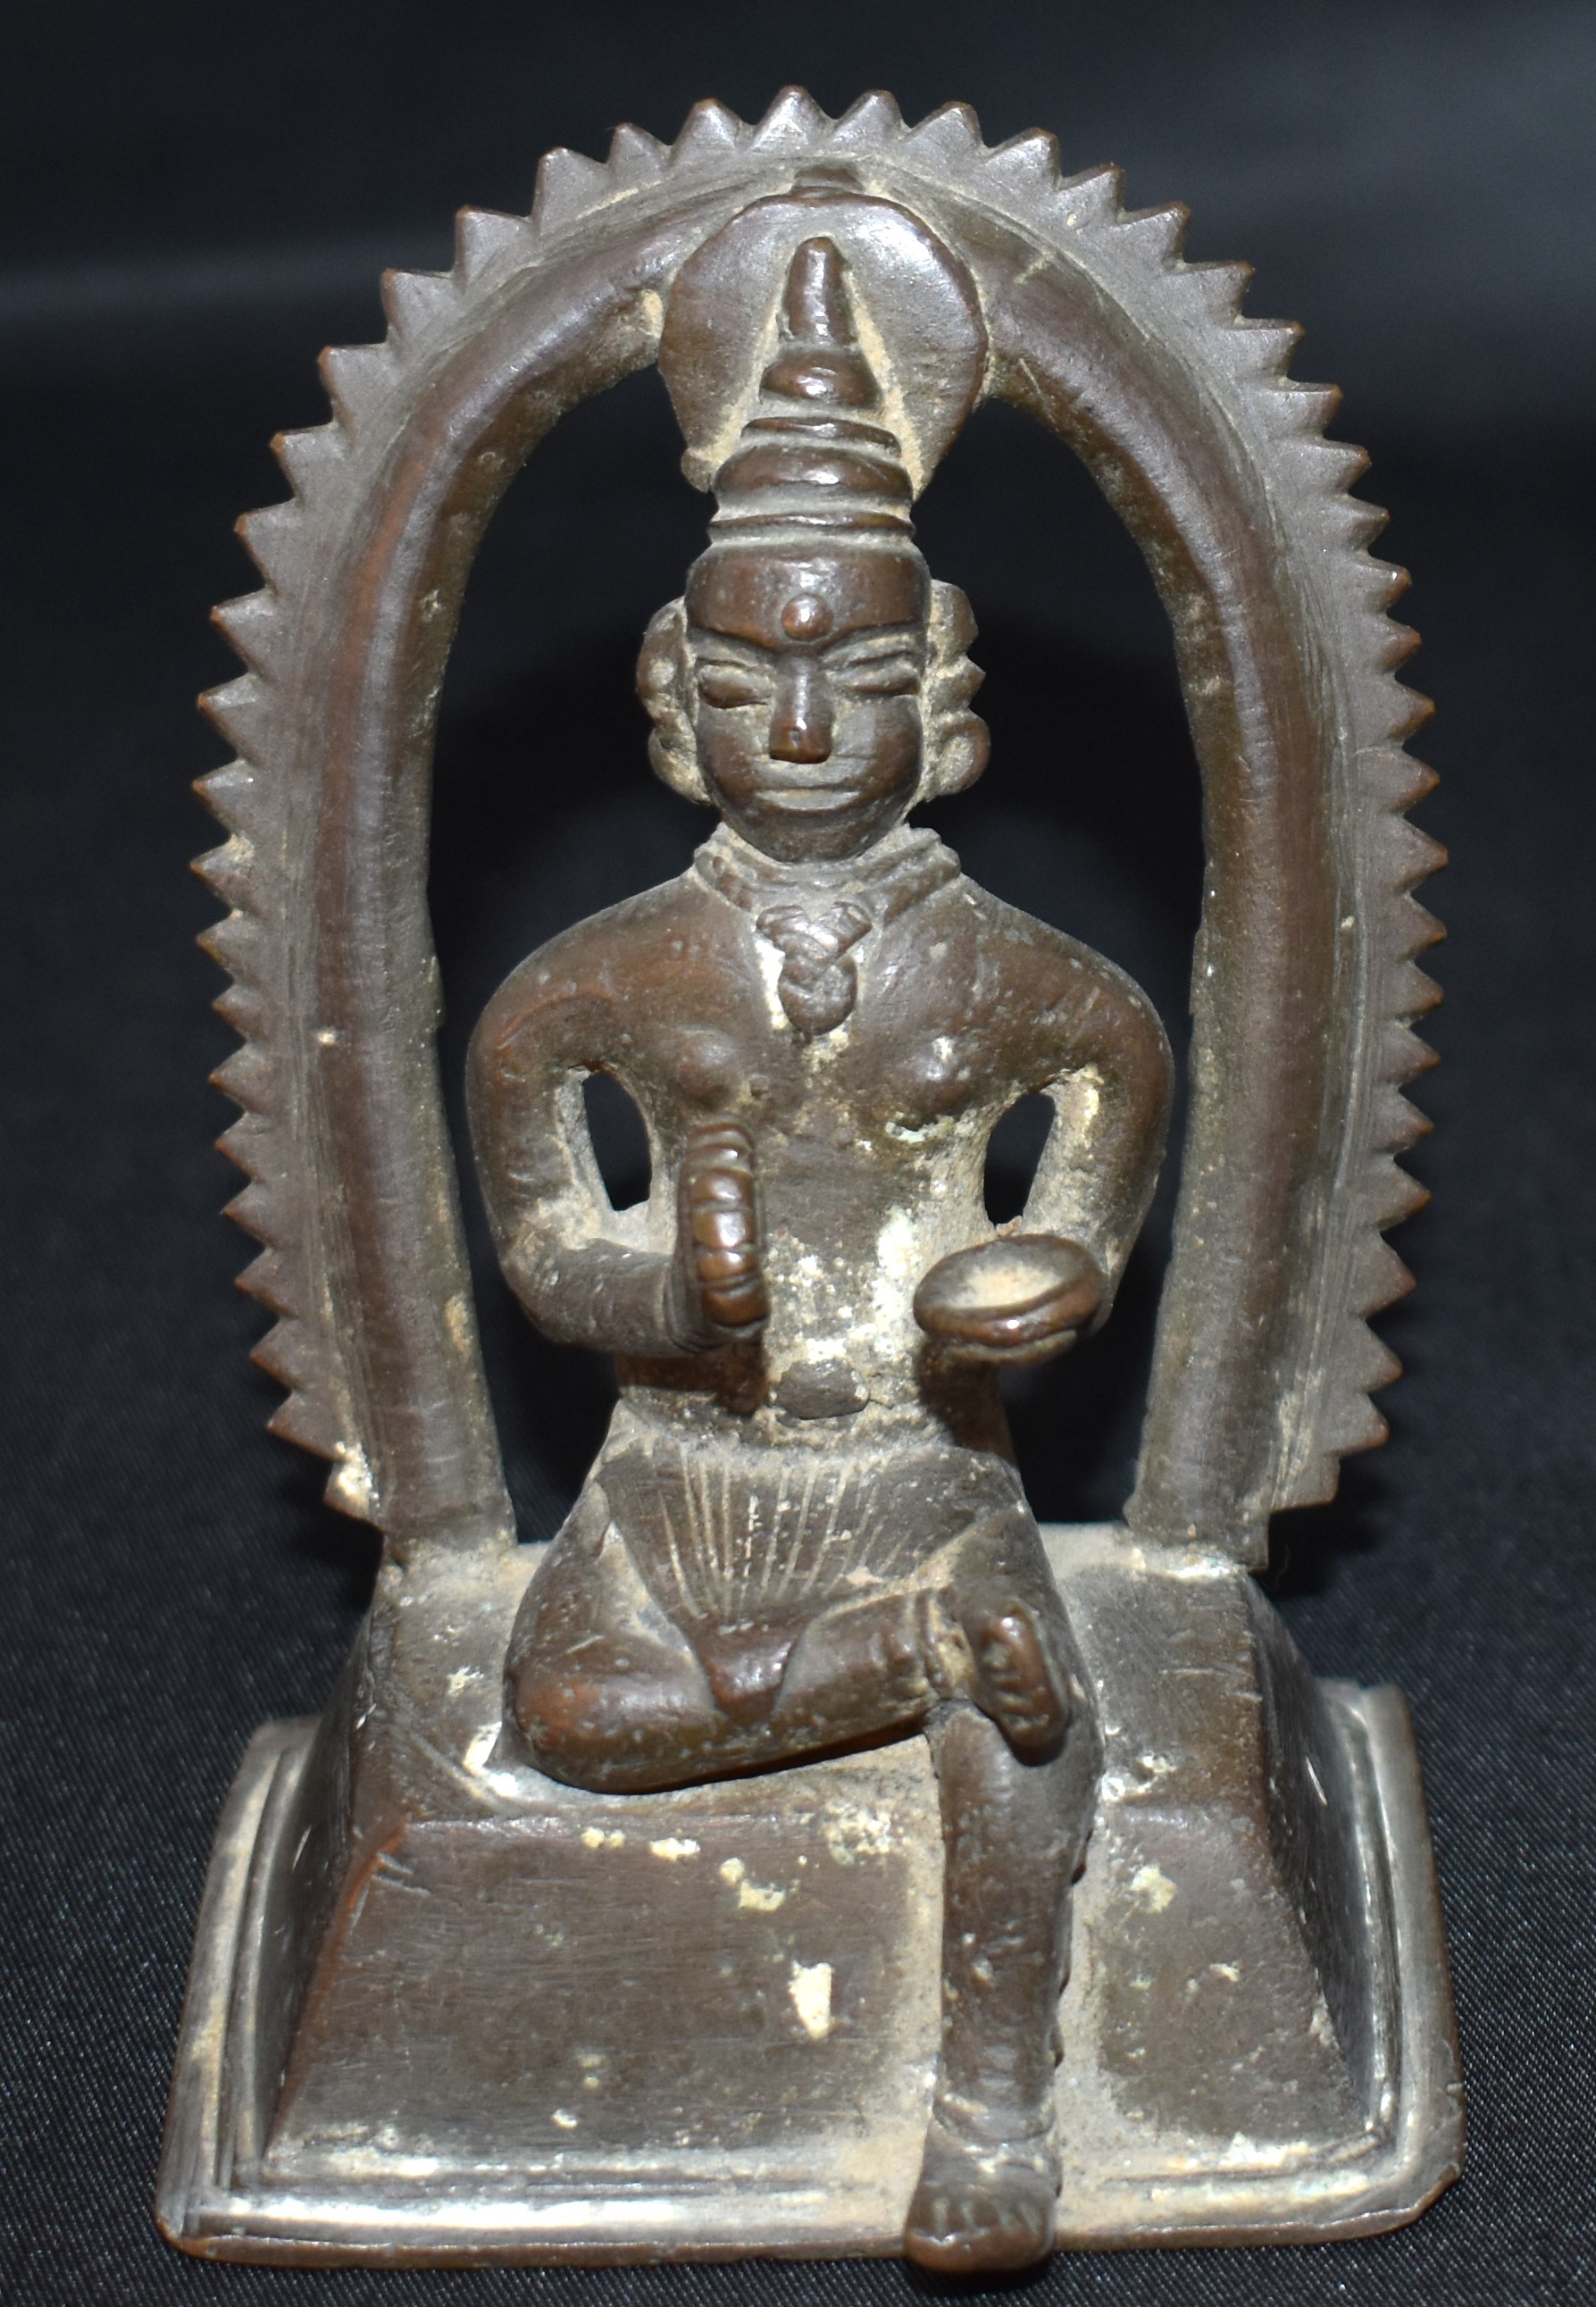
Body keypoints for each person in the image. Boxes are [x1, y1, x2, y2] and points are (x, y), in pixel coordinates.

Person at [468, 236, 1172, 2272]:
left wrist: (1054, 1277)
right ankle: (896, 1659)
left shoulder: (1038, 987)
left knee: (1030, 1745)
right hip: (675, 1470)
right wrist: (667, 1301)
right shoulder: (583, 991)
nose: (797, 719)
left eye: (854, 677)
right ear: (672, 705)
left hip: (917, 1460)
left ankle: (992, 2101)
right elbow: (543, 1252)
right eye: (745, 677)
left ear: (939, 706)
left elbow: (1101, 1147)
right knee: (565, 1709)